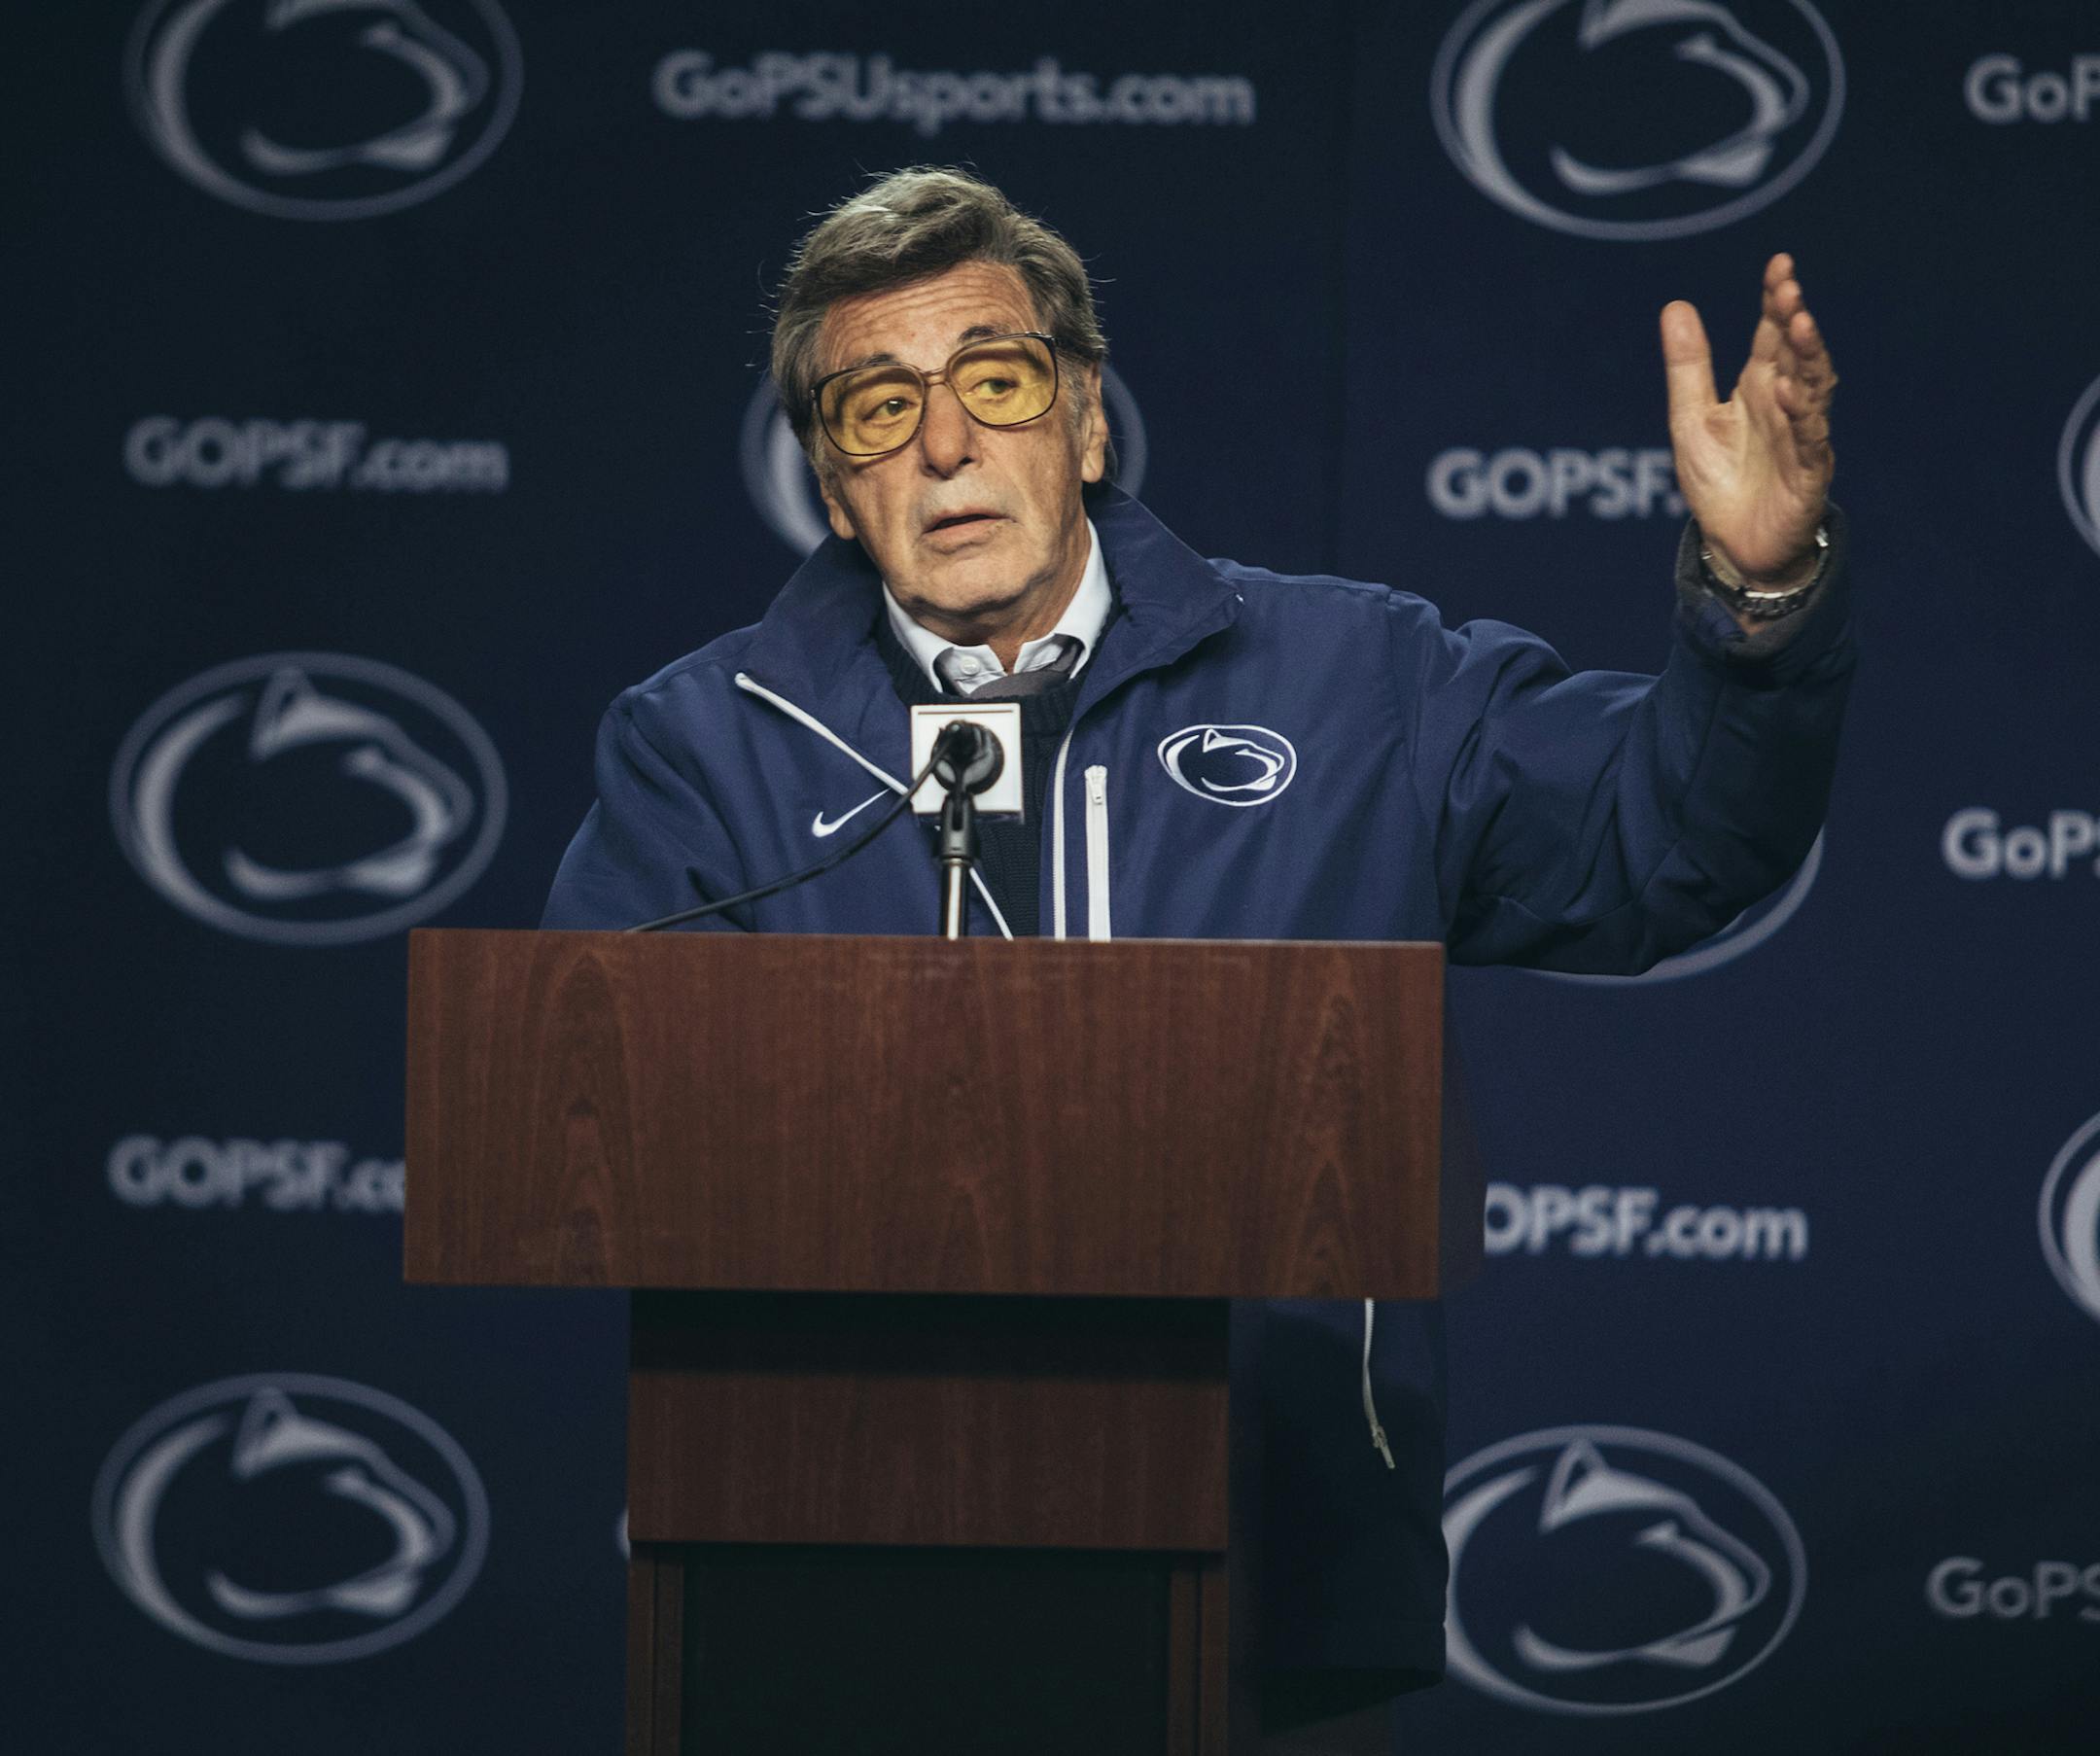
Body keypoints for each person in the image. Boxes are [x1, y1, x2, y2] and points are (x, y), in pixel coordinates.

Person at [543, 166, 1852, 1752]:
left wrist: (1756, 599)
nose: (945, 444)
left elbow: (1671, 845)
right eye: (878, 410)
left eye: (997, 382)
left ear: (1086, 424)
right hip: (820, 1580)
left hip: (1266, 1568)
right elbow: (587, 1119)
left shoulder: (1359, 682)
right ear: (832, 484)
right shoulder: (707, 744)